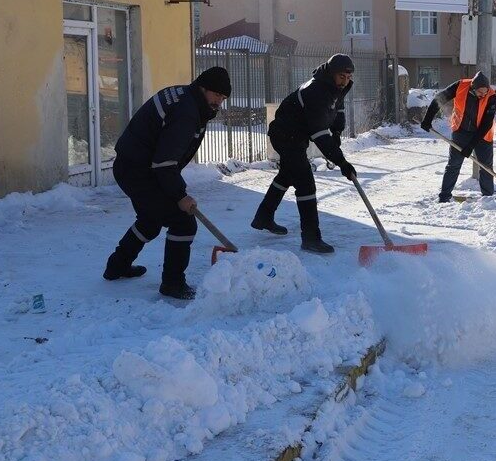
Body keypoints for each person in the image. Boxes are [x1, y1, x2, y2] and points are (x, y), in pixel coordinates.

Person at [104, 67, 231, 300]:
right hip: (138, 170)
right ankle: (173, 283)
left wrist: (172, 189)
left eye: (223, 99)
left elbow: (164, 158)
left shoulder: (187, 98)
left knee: (150, 220)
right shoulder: (187, 112)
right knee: (183, 222)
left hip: (136, 165)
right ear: (203, 88)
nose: (219, 103)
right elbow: (165, 162)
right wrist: (180, 195)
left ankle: (117, 265)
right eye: (217, 96)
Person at [251, 54, 357, 253]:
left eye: (348, 77)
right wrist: (342, 162)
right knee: (305, 182)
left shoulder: (335, 88)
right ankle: (310, 238)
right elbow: (319, 134)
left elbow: (337, 110)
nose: (345, 81)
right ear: (332, 73)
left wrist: (336, 131)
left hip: (296, 135)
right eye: (341, 76)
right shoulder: (316, 91)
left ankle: (263, 217)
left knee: (288, 174)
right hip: (285, 134)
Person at [420, 71, 496, 203]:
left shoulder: (491, 96)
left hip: (483, 134)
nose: (483, 95)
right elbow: (439, 99)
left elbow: (486, 123)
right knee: (453, 164)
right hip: (461, 131)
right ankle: (444, 196)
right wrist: (427, 119)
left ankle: (488, 199)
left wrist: (471, 146)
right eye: (480, 92)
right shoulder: (460, 86)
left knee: (486, 166)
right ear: (473, 88)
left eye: (485, 92)